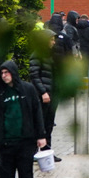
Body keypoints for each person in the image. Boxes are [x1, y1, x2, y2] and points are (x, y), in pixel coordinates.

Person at [28, 20, 58, 153]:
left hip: (52, 94)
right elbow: (34, 76)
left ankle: (47, 151)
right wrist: (43, 92)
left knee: (49, 124)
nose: (54, 42)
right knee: (40, 124)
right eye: (51, 40)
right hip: (43, 96)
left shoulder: (50, 55)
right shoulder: (37, 55)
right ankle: (34, 151)